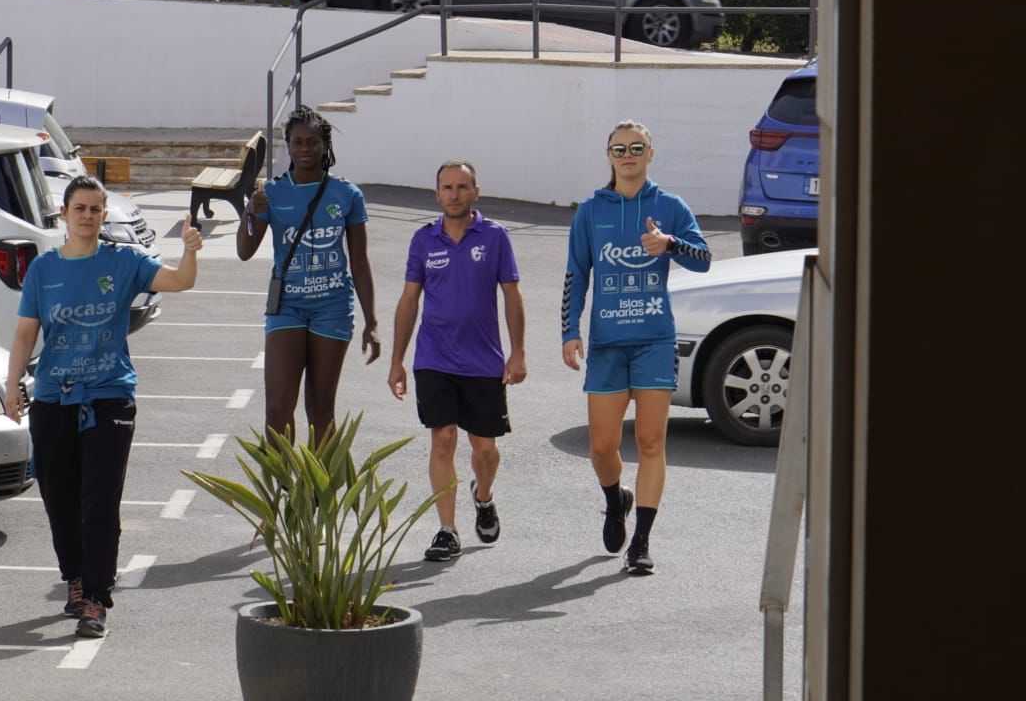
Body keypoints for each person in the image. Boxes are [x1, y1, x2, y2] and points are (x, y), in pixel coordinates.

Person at [4, 175, 202, 638]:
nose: (89, 216)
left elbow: (179, 281)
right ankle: (73, 578)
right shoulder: (44, 270)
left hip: (109, 395)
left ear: (104, 216)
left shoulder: (124, 261)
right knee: (59, 498)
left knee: (99, 501)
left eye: (96, 209)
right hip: (54, 398)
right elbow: (25, 332)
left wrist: (191, 249)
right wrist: (13, 385)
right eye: (81, 209)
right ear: (64, 215)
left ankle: (96, 597)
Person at [560, 120, 711, 575]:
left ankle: (641, 542)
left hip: (654, 340)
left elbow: (703, 260)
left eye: (637, 147)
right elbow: (576, 274)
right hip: (607, 345)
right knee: (603, 448)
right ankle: (615, 499)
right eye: (619, 148)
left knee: (649, 441)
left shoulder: (669, 205)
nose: (628, 154)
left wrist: (669, 243)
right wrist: (570, 331)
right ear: (608, 155)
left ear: (650, 153)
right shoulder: (590, 210)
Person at [388, 160, 526, 563]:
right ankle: (448, 530)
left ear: (475, 191)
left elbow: (513, 297)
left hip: (483, 361)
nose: (454, 194)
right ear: (437, 194)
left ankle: (483, 497)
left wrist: (517, 352)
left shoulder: (496, 237)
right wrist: (397, 360)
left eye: (462, 187)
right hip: (434, 357)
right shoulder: (423, 239)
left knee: (485, 449)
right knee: (443, 438)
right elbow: (409, 299)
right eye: (447, 187)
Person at [235, 108, 379, 444]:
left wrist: (371, 322)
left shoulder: (347, 195)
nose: (305, 149)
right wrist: (251, 213)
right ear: (287, 146)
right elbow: (245, 250)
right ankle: (283, 491)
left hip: (332, 306)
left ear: (324, 145)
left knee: (320, 409)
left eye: (313, 142)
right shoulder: (271, 193)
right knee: (278, 407)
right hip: (287, 306)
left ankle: (318, 495)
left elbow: (359, 261)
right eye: (297, 142)